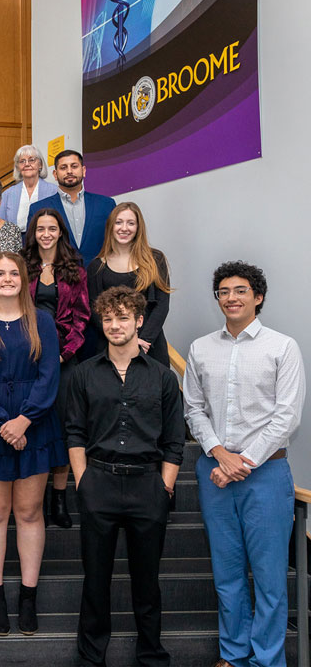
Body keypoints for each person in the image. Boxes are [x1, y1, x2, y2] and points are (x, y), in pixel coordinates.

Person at [184, 261, 305, 667]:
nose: (231, 297)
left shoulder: (282, 347)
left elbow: (287, 415)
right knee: (228, 574)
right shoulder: (201, 348)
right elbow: (194, 410)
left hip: (267, 474)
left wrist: (244, 461)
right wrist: (220, 453)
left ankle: (268, 660)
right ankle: (234, 656)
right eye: (223, 291)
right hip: (214, 472)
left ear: (258, 297)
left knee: (270, 579)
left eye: (240, 290)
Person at [65, 286, 184, 667]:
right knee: (95, 582)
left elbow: (174, 440)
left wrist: (164, 486)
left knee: (147, 583)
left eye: (122, 317)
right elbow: (75, 433)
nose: (115, 325)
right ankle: (90, 657)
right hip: (98, 483)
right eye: (108, 318)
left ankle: (151, 655)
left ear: (138, 321)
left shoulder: (163, 378)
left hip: (148, 487)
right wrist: (83, 482)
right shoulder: (84, 374)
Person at [0, 252, 66, 637]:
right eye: (0, 273)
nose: (7, 279)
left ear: (24, 279)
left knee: (29, 510)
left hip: (33, 423)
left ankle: (28, 598)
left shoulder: (43, 322)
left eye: (13, 273)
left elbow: (50, 375)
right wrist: (2, 423)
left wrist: (23, 419)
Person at [22, 208, 90, 529]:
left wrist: (65, 354)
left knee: (63, 428)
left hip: (64, 359)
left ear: (60, 232)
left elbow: (82, 316)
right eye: (40, 229)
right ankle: (32, 497)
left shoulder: (75, 270)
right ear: (33, 233)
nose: (46, 234)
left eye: (52, 228)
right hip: (27, 357)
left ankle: (59, 498)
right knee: (35, 425)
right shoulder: (22, 267)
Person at [86, 202, 172, 367]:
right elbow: (94, 309)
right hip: (111, 347)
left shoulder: (155, 259)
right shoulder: (96, 267)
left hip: (149, 346)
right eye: (119, 222)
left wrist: (142, 340)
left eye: (130, 223)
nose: (124, 228)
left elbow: (162, 305)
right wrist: (120, 339)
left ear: (138, 228)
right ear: (111, 226)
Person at [28, 149, 116, 266]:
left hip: (100, 276)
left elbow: (115, 243)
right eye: (63, 167)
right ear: (55, 174)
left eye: (74, 166)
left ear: (83, 170)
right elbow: (32, 250)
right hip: (59, 277)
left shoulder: (106, 204)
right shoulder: (38, 209)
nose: (69, 171)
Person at [0, 145, 58, 234]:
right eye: (22, 161)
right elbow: (0, 224)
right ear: (18, 167)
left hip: (45, 241)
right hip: (15, 243)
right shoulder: (7, 194)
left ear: (40, 164)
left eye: (31, 160)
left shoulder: (54, 191)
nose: (27, 164)